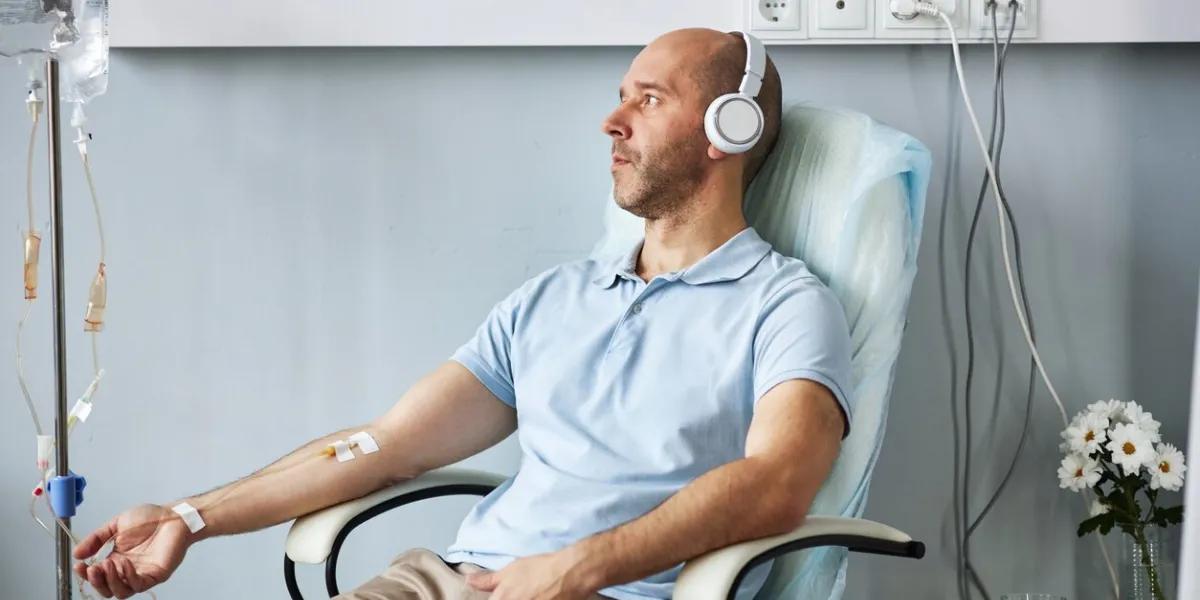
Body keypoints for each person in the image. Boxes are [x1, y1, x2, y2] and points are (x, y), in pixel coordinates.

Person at [71, 26, 854, 600]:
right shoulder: (552, 301)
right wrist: (189, 517)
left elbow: (777, 482)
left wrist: (576, 569)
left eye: (649, 101)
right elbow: (379, 448)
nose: (613, 123)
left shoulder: (785, 306)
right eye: (620, 98)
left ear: (731, 128)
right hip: (444, 583)